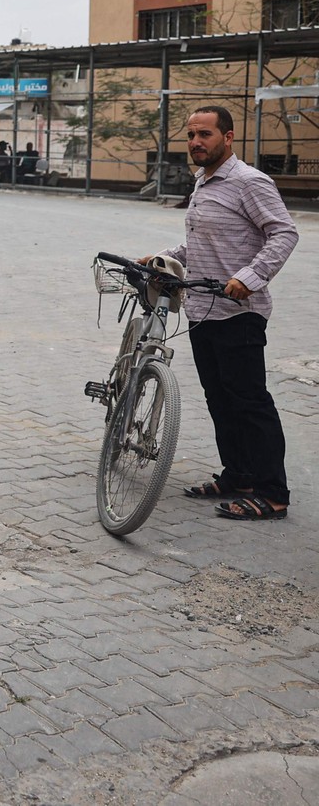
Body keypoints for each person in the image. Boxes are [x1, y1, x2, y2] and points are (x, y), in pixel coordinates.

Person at [157, 106, 298, 522]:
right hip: (202, 310)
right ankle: (240, 476)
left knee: (250, 402)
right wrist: (164, 257)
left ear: (229, 137)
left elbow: (284, 232)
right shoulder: (203, 181)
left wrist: (250, 277)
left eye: (206, 134)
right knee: (220, 400)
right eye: (191, 135)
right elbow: (200, 245)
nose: (197, 142)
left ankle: (273, 494)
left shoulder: (249, 181)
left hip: (239, 313)